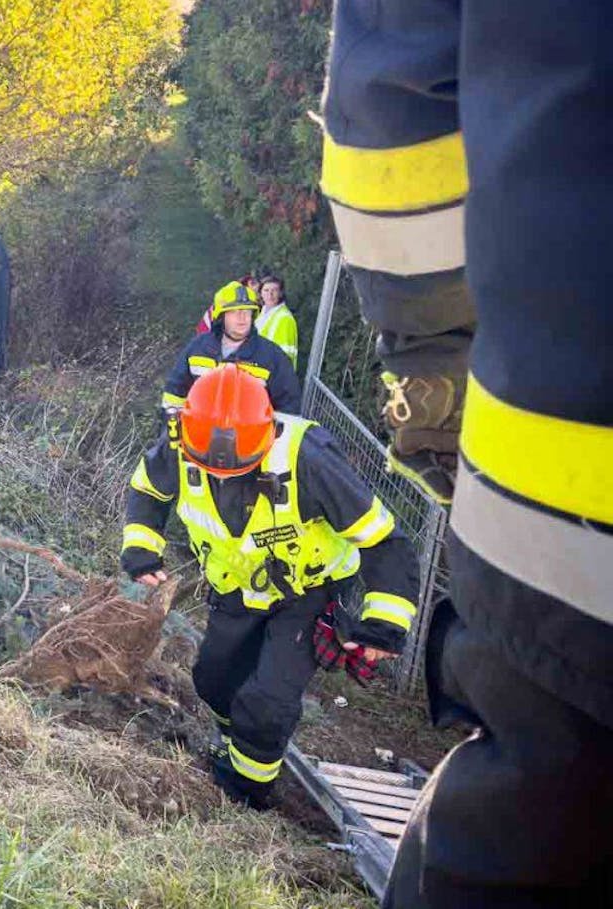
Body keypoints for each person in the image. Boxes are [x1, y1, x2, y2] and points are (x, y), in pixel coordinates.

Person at [320, 2, 613, 905]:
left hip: (575, 506)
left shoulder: (302, 466)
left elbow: (392, 114)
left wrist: (439, 385)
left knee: (529, 828)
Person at [122, 365, 419, 809]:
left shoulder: (308, 459)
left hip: (308, 592)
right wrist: (143, 547)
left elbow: (383, 539)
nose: (223, 472)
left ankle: (247, 788)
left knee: (268, 700)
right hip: (236, 585)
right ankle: (235, 739)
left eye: (237, 463)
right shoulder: (180, 441)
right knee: (213, 679)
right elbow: (147, 489)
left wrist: (384, 623)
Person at [162, 281, 300, 416]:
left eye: (247, 311)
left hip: (250, 436)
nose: (243, 317)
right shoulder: (197, 348)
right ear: (221, 317)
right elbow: (174, 393)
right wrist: (171, 429)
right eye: (234, 311)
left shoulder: (272, 357)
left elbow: (288, 408)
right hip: (198, 434)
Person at [255, 275, 298, 369]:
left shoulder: (285, 318)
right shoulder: (261, 316)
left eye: (274, 290)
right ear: (260, 293)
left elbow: (285, 356)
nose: (270, 294)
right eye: (266, 290)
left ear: (280, 293)